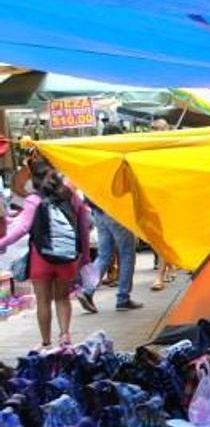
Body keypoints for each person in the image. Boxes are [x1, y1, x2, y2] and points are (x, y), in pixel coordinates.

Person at [0, 157, 90, 347]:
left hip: (41, 258)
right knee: (62, 298)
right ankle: (65, 335)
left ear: (34, 179)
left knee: (43, 301)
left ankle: (46, 341)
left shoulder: (33, 199)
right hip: (68, 257)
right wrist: (85, 256)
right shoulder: (72, 196)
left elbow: (23, 227)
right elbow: (83, 226)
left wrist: (3, 242)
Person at [78, 123, 143, 312]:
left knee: (105, 254)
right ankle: (123, 298)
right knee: (127, 253)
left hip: (98, 211)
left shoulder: (93, 156)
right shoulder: (117, 157)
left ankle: (88, 290)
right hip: (116, 212)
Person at [148, 119, 175, 292]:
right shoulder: (148, 148)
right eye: (152, 129)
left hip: (169, 199)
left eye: (157, 129)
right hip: (153, 199)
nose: (153, 131)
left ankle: (160, 276)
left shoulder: (172, 148)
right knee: (159, 239)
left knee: (164, 239)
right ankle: (167, 268)